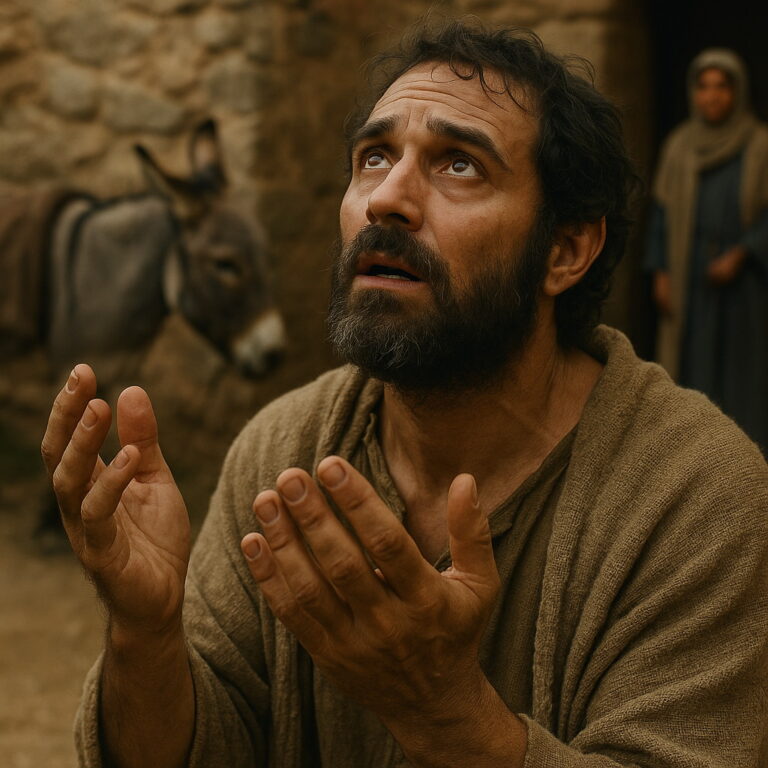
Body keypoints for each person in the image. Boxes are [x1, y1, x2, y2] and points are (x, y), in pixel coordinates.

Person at [42, 21, 768, 768]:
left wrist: (443, 713)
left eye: (459, 165)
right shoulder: (283, 452)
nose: (387, 198)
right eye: (373, 157)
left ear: (564, 251)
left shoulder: (697, 498)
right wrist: (145, 634)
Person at [646, 48, 768, 451]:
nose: (712, 97)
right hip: (690, 277)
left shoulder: (759, 143)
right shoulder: (679, 146)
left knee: (741, 374)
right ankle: (696, 457)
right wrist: (661, 271)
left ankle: (747, 458)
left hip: (742, 285)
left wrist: (742, 252)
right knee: (691, 367)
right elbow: (661, 215)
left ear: (737, 92)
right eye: (704, 87)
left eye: (721, 87)